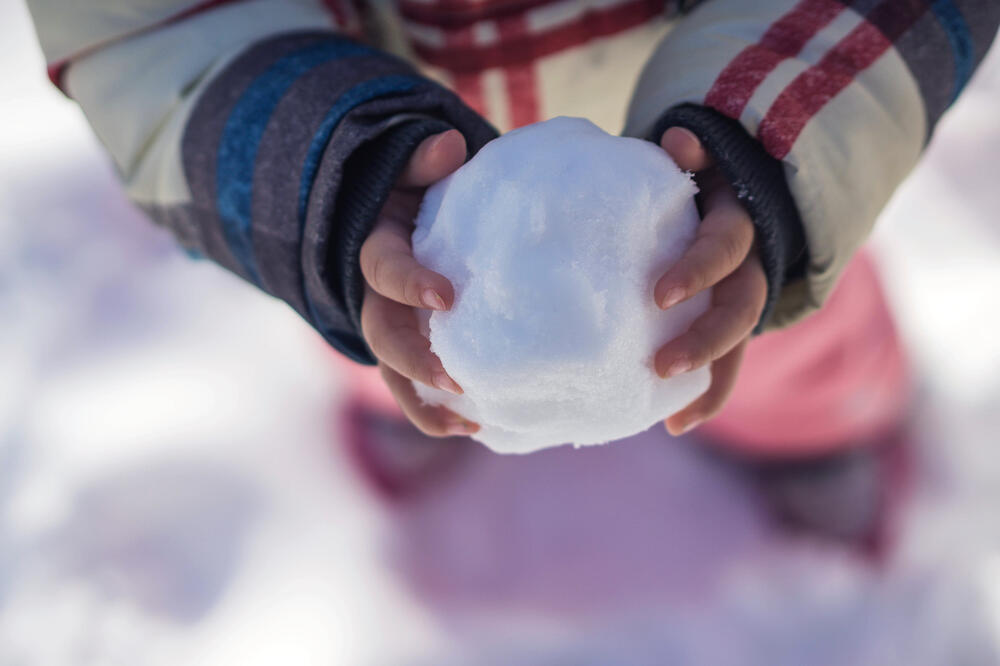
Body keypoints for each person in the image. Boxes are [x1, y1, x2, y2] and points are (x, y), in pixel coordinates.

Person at [26, 0, 999, 549]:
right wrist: (325, 180)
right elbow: (149, 32)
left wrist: (772, 140)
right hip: (380, 155)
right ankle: (407, 393)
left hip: (725, 143)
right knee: (405, 335)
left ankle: (812, 435)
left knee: (779, 340)